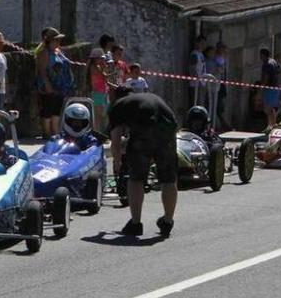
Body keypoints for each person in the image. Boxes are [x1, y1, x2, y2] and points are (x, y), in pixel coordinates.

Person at [108, 89, 178, 238]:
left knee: (136, 178)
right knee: (168, 178)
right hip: (168, 128)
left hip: (144, 129)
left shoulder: (117, 106)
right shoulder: (146, 97)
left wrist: (117, 162)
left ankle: (135, 223)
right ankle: (167, 221)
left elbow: (115, 141)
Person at [36, 27, 81, 139]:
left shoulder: (59, 52)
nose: (58, 42)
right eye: (55, 40)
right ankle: (47, 132)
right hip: (49, 85)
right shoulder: (44, 53)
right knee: (47, 108)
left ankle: (55, 131)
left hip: (61, 86)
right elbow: (42, 70)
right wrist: (47, 85)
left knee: (57, 109)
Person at [259, 48, 281, 131]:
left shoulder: (267, 64)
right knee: (271, 108)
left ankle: (270, 126)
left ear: (263, 55)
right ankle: (273, 124)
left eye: (261, 55)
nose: (260, 57)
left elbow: (266, 77)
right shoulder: (273, 61)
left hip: (269, 88)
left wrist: (261, 87)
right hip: (276, 87)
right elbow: (280, 69)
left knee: (267, 108)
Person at [87, 48, 109, 130]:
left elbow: (105, 77)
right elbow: (103, 76)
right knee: (97, 115)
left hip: (103, 92)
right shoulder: (93, 67)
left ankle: (101, 131)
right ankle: (96, 132)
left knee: (103, 114)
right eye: (100, 58)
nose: (102, 60)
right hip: (97, 93)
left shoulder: (97, 66)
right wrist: (103, 67)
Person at [188, 35, 207, 106]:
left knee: (201, 104)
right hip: (195, 84)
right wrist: (198, 81)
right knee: (196, 104)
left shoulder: (201, 54)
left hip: (201, 83)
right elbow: (193, 68)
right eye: (201, 43)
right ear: (197, 43)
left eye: (204, 44)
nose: (203, 46)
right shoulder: (194, 54)